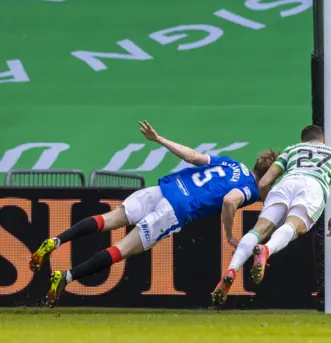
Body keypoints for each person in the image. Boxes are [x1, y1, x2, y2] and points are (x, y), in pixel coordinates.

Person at [30, 120, 279, 308]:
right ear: (268, 175)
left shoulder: (231, 163)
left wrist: (159, 139)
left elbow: (192, 155)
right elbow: (229, 201)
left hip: (163, 189)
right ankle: (66, 276)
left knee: (108, 220)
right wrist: (229, 235)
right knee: (124, 248)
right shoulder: (250, 189)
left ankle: (56, 240)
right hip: (174, 209)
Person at [212, 125, 331, 305]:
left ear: (303, 141)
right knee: (292, 227)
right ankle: (266, 250)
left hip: (286, 183)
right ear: (322, 140)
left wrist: (270, 205)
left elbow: (264, 183)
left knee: (258, 231)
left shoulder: (291, 150)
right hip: (313, 186)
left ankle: (231, 269)